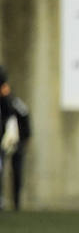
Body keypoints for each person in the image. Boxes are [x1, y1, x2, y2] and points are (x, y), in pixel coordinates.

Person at [0, 67, 32, 212]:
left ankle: (17, 202)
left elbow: (24, 116)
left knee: (17, 170)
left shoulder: (13, 101)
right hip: (1, 142)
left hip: (15, 141)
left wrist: (25, 137)